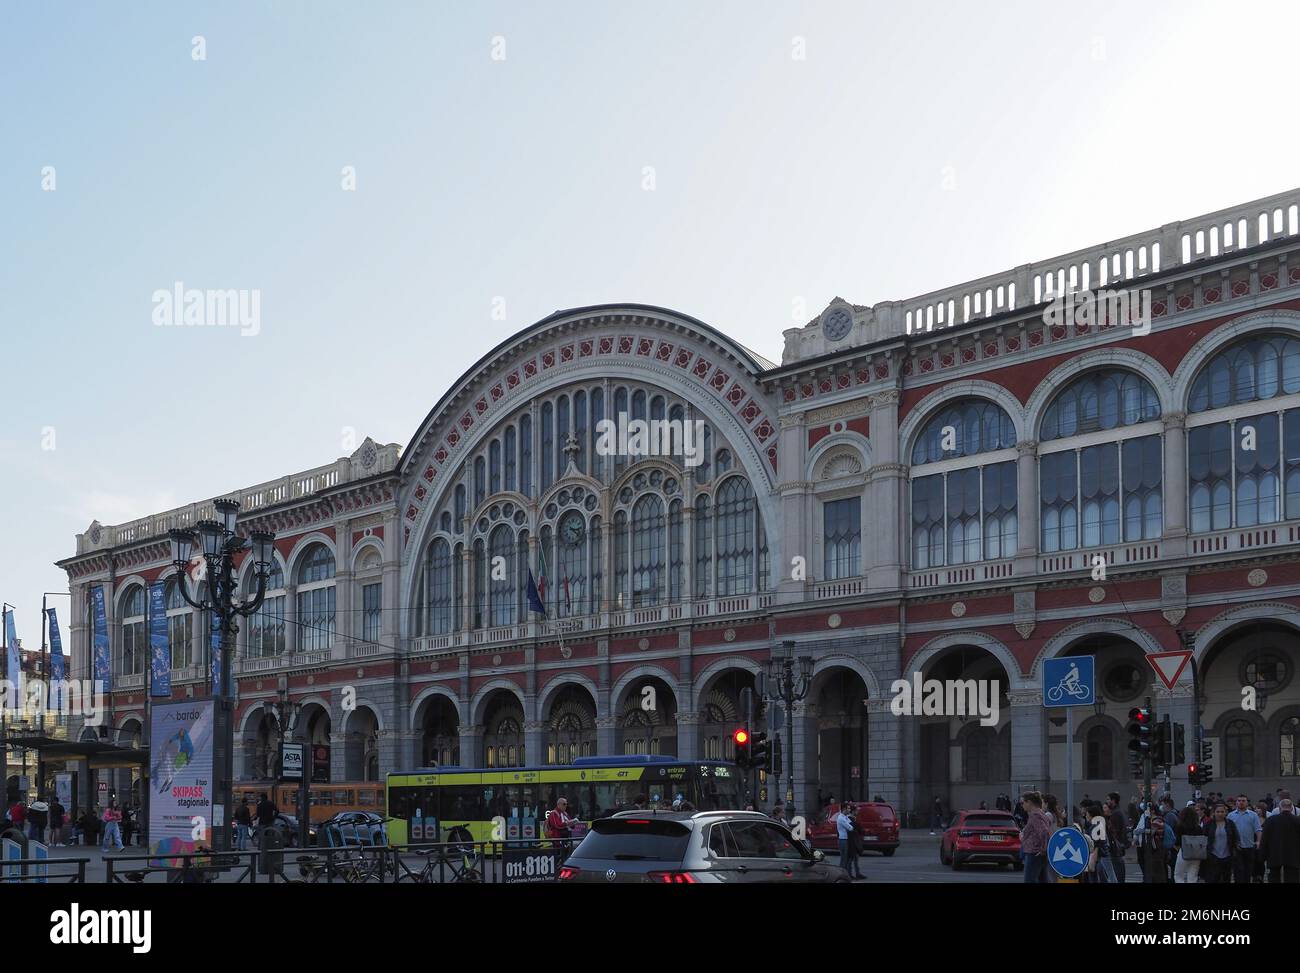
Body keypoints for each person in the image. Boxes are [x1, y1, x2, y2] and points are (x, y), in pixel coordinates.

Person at [1260, 797, 1299, 883]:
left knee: (1274, 878)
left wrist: (1262, 856)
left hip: (1274, 854)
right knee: (1292, 878)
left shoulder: (1270, 820)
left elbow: (1264, 839)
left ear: (1279, 808)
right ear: (1292, 808)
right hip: (1293, 856)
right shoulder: (1297, 820)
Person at [1227, 794, 1262, 884]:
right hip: (1236, 847)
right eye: (1239, 801)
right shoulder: (1231, 815)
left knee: (1248, 870)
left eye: (1243, 801)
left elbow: (1258, 829)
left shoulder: (1253, 815)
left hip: (1249, 846)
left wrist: (1258, 841)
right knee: (1238, 870)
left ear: (1247, 802)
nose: (1241, 802)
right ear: (1236, 802)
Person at [1019, 791, 1052, 884]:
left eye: (1023, 803)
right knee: (1043, 880)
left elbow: (1044, 832)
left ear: (1029, 802)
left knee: (1030, 880)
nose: (1022, 805)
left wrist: (1043, 849)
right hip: (1039, 853)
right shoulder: (1041, 814)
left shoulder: (1035, 816)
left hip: (1034, 852)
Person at [1202, 802, 1239, 884]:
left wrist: (1235, 849)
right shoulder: (1209, 824)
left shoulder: (1230, 824)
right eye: (1218, 812)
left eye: (1222, 812)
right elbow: (1204, 838)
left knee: (1226, 878)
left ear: (1225, 813)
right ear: (1214, 813)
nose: (1220, 814)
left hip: (1227, 855)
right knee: (1213, 878)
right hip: (1213, 855)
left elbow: (1236, 837)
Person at [1173, 806, 1205, 884]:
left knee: (1178, 875)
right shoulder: (1198, 828)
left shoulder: (1179, 827)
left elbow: (1177, 842)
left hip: (1184, 852)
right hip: (1196, 854)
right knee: (1193, 876)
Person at [834, 802, 863, 880]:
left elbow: (852, 824)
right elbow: (850, 827)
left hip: (846, 840)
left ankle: (845, 876)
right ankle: (840, 876)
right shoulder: (841, 818)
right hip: (843, 840)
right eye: (848, 808)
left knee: (846, 859)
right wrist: (853, 826)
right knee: (844, 859)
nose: (849, 810)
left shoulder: (845, 817)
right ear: (844, 809)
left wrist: (854, 824)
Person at [1107, 792, 1128, 884]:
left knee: (1116, 870)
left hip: (1116, 846)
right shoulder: (1119, 811)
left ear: (1113, 801)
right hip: (1119, 845)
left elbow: (1114, 832)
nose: (1106, 801)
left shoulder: (1115, 813)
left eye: (1108, 799)